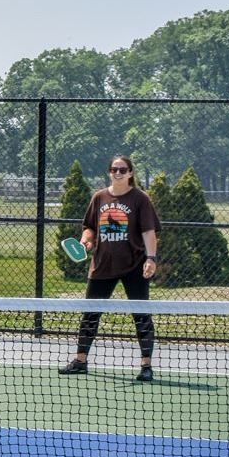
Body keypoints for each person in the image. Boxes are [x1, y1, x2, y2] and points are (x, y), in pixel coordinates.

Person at [59, 154, 161, 381]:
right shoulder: (99, 198)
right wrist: (86, 241)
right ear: (109, 172)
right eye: (114, 169)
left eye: (123, 170)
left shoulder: (140, 199)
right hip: (102, 265)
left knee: (141, 315)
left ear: (131, 173)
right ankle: (80, 361)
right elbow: (90, 227)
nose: (118, 173)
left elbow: (148, 231)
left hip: (134, 265)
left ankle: (146, 366)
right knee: (90, 315)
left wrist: (151, 258)